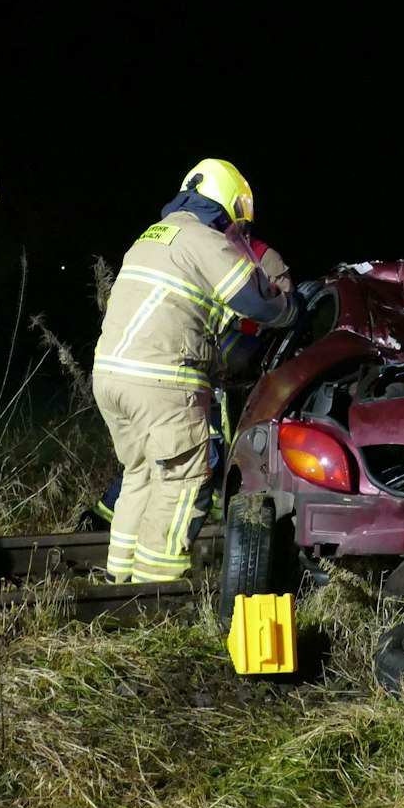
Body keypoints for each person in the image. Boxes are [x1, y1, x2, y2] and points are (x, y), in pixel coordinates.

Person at [92, 159, 298, 583]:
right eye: (236, 222)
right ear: (227, 205)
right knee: (184, 480)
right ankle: (155, 589)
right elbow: (256, 301)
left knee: (142, 475)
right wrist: (292, 308)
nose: (236, 233)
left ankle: (119, 578)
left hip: (110, 376)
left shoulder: (152, 236)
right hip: (160, 381)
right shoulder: (204, 239)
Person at [83, 236, 295, 532]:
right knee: (172, 456)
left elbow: (280, 312)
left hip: (229, 371)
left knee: (207, 451)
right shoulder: (201, 246)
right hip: (190, 364)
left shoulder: (263, 257)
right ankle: (104, 518)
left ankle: (223, 527)